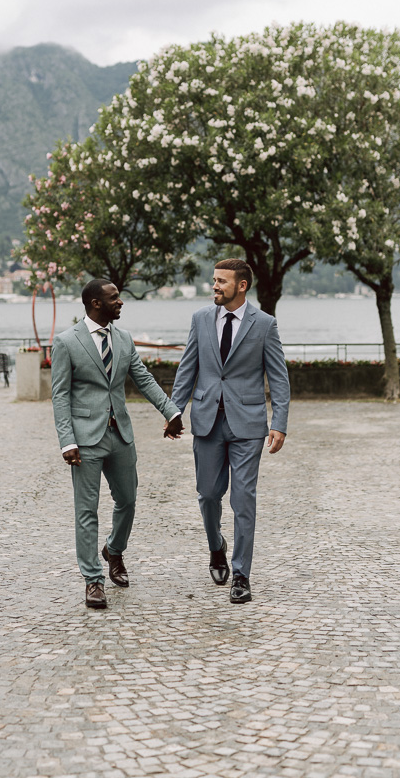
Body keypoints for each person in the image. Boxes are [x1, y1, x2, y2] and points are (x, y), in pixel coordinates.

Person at [51, 278, 183, 609]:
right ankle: (93, 580)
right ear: (96, 303)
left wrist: (171, 411)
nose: (120, 302)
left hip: (120, 434)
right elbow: (60, 395)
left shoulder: (123, 339)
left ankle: (114, 550)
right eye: (114, 298)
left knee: (128, 500)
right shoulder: (67, 342)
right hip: (85, 439)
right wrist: (67, 440)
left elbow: (144, 379)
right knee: (87, 510)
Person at [170, 258, 290, 604]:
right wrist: (174, 411)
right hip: (207, 420)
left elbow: (279, 378)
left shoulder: (264, 324)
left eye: (222, 281)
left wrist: (279, 422)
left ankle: (241, 574)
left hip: (248, 423)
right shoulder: (200, 319)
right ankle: (216, 546)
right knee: (208, 495)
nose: (215, 286)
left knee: (243, 499)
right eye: (214, 280)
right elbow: (187, 367)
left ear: (242, 285)